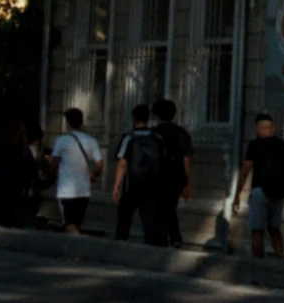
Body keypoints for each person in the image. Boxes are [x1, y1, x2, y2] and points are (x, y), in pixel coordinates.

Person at [230, 114, 284, 259]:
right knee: (274, 229)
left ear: (257, 129)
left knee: (257, 231)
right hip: (279, 192)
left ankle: (258, 267)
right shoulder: (283, 145)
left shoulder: (254, 145)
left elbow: (245, 170)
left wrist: (237, 195)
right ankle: (280, 263)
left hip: (260, 192)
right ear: (273, 129)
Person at [48, 108, 102, 234]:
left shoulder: (61, 141)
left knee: (69, 224)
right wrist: (94, 175)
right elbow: (100, 164)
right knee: (77, 223)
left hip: (66, 190)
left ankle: (78, 249)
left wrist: (54, 174)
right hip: (84, 190)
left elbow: (53, 163)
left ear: (67, 122)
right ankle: (74, 252)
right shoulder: (91, 141)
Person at [148, 98, 194, 248]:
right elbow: (186, 160)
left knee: (159, 210)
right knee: (170, 208)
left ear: (156, 115)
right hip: (176, 177)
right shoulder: (181, 133)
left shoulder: (153, 134)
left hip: (156, 177)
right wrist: (186, 183)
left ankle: (164, 240)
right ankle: (174, 237)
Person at [111, 105, 160, 242]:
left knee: (124, 217)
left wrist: (116, 185)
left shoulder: (129, 137)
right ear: (148, 119)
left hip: (131, 185)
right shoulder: (156, 138)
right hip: (151, 185)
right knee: (149, 219)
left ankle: (121, 243)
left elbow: (122, 163)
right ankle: (151, 246)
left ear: (134, 119)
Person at [0, 121, 35, 228]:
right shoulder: (19, 128)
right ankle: (12, 223)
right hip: (16, 167)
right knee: (14, 200)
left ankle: (0, 223)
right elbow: (25, 150)